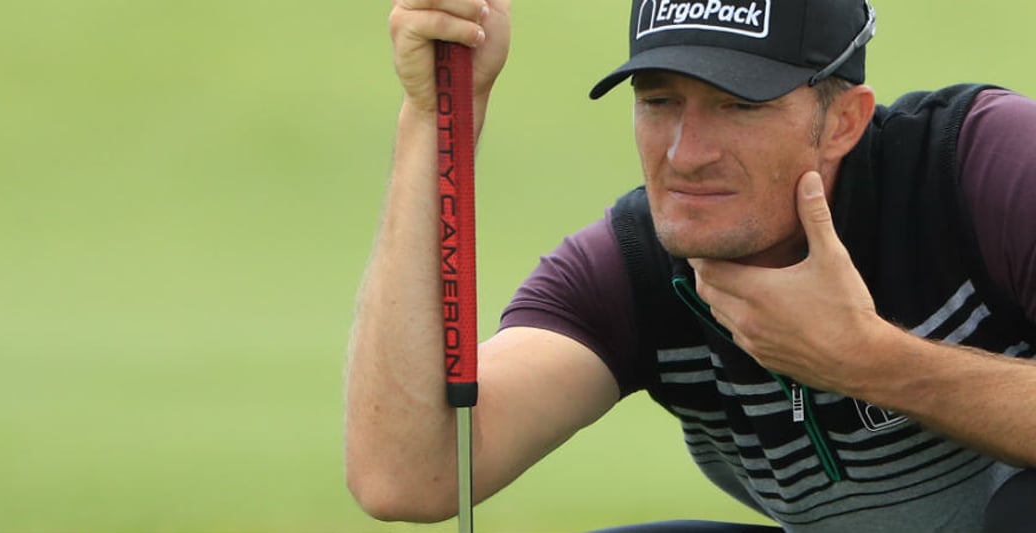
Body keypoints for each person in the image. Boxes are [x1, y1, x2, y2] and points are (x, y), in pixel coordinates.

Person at [345, 0, 1036, 531]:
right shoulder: (639, 263)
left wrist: (868, 358)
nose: (685, 152)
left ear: (845, 121)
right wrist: (437, 116)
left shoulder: (986, 169)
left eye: (739, 105)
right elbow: (409, 475)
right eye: (659, 100)